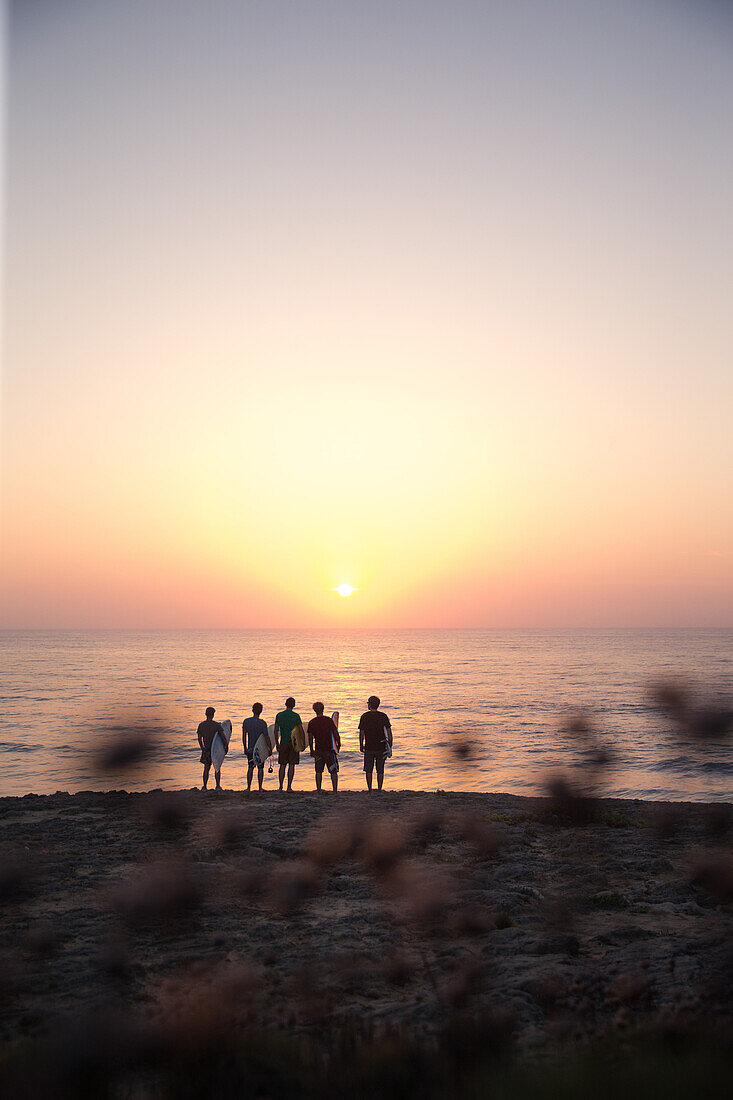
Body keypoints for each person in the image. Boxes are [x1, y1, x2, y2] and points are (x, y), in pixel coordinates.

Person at [358, 695, 393, 791]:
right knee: (380, 769)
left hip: (369, 746)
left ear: (370, 704)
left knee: (368, 769)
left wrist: (361, 745)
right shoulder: (383, 716)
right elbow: (389, 733)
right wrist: (390, 745)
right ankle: (379, 789)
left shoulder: (364, 716)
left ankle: (369, 789)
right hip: (381, 746)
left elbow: (362, 733)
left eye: (368, 703)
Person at [307, 702, 341, 792]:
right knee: (333, 770)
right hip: (329, 749)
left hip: (318, 749)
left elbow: (310, 738)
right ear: (323, 709)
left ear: (314, 710)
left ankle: (318, 789)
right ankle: (335, 790)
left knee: (318, 771)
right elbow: (335, 733)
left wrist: (311, 750)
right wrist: (338, 743)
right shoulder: (329, 720)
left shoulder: (312, 722)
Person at [274, 697, 305, 792]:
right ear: (294, 705)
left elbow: (275, 730)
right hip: (294, 744)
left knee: (282, 765)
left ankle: (280, 787)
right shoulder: (296, 716)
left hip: (283, 742)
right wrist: (303, 743)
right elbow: (301, 730)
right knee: (292, 765)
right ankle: (289, 787)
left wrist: (277, 743)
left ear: (285, 704)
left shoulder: (279, 715)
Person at [242, 702, 268, 791]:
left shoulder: (246, 721)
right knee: (260, 768)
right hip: (260, 749)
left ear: (252, 710)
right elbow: (266, 737)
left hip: (250, 748)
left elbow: (244, 735)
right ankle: (260, 787)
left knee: (250, 767)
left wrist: (244, 747)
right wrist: (269, 748)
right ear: (261, 711)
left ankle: (248, 787)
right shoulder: (263, 723)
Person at [197, 706, 224, 790]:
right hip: (215, 750)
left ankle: (204, 786)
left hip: (207, 749)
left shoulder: (201, 725)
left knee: (206, 768)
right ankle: (218, 786)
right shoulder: (217, 725)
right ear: (213, 715)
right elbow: (223, 737)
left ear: (205, 714)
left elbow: (199, 738)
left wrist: (202, 748)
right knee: (217, 768)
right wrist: (225, 747)